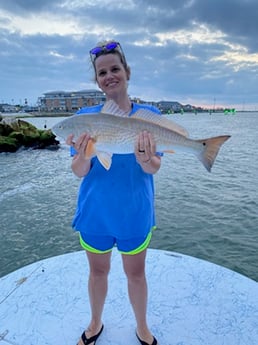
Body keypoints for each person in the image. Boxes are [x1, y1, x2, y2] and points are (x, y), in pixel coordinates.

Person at [66, 40, 161, 345]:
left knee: (136, 274)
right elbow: (80, 170)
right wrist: (84, 154)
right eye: (102, 72)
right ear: (97, 80)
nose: (109, 75)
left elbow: (154, 167)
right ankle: (95, 323)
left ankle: (142, 327)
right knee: (98, 272)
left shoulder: (148, 115)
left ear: (127, 71)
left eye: (115, 68)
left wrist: (147, 159)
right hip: (96, 213)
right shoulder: (85, 119)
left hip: (135, 212)